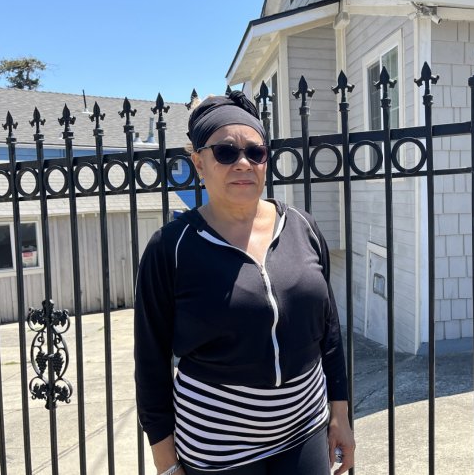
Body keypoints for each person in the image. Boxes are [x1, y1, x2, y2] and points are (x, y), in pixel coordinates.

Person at [134, 91, 355, 475]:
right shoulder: (171, 248)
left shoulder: (302, 227)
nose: (243, 163)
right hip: (218, 449)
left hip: (304, 431)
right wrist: (167, 464)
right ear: (198, 162)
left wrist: (340, 413)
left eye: (256, 152)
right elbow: (151, 362)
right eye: (225, 152)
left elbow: (329, 331)